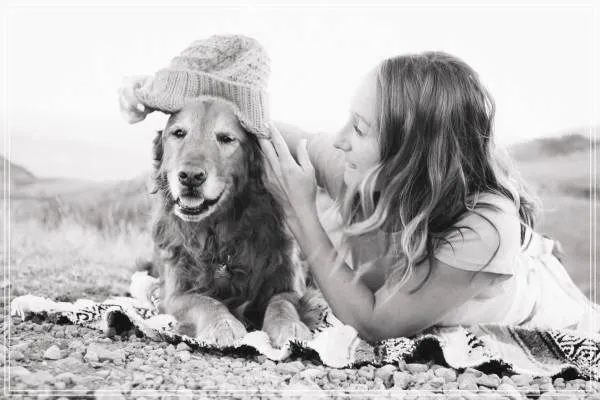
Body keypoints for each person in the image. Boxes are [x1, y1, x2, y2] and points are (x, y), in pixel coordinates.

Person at [120, 48, 598, 342]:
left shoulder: (485, 229)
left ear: (408, 152)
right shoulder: (358, 170)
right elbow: (259, 131)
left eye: (361, 128)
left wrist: (302, 213)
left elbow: (375, 325)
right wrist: (156, 92)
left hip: (541, 300)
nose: (341, 138)